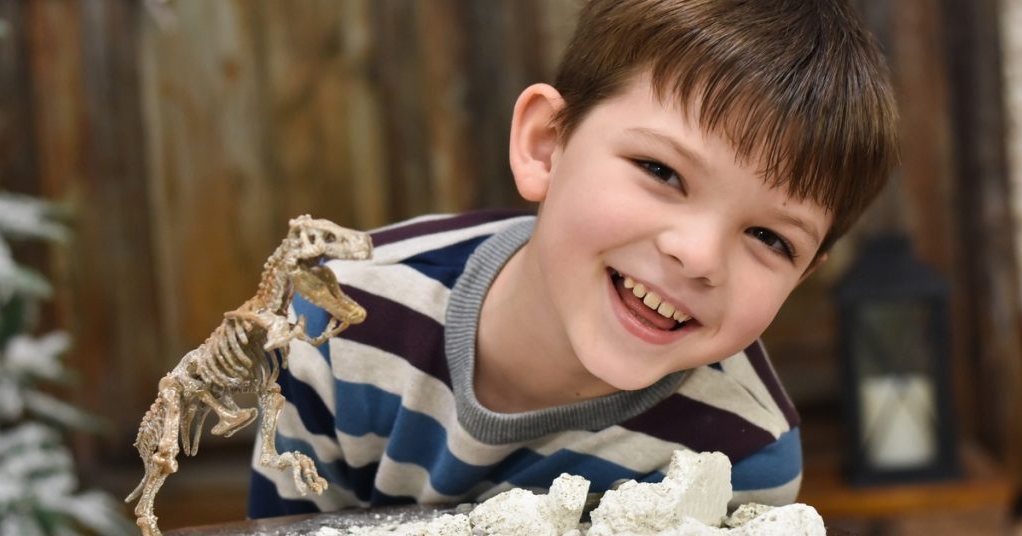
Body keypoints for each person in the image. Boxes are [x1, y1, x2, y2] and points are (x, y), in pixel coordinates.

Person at [248, 0, 898, 518]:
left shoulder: (745, 453)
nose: (699, 256)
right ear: (545, 145)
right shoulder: (340, 321)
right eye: (660, 171)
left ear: (801, 277)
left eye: (770, 239)